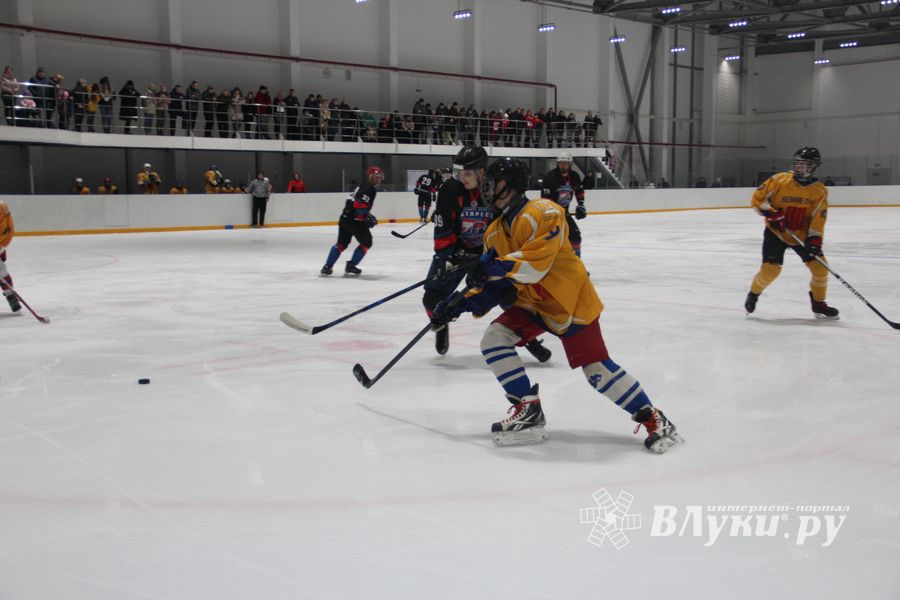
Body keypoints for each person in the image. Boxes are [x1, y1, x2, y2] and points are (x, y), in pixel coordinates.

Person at [430, 158, 683, 452]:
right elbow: (497, 287)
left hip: (570, 302)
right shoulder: (494, 232)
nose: (486, 187)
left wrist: (493, 268)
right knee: (495, 338)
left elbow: (536, 266)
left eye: (493, 181)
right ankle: (528, 410)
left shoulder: (544, 212)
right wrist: (457, 304)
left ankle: (654, 419)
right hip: (534, 304)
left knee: (597, 372)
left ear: (511, 185)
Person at [422, 146, 551, 361]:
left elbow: (507, 228)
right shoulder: (450, 190)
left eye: (468, 173)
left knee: (509, 298)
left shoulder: (497, 190)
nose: (461, 178)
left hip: (489, 255)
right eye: (459, 172)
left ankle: (528, 339)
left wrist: (492, 258)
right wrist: (446, 256)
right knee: (431, 298)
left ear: (482, 172)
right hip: (456, 252)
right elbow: (443, 230)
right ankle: (442, 322)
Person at [745, 147, 838, 319]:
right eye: (797, 163)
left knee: (820, 269)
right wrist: (772, 214)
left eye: (804, 164)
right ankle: (753, 293)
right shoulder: (779, 180)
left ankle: (818, 303)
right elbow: (757, 199)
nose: (799, 167)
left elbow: (819, 217)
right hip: (776, 233)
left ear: (814, 166)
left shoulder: (819, 190)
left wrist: (815, 239)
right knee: (770, 270)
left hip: (801, 236)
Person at [320, 166, 384, 276]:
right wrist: (365, 217)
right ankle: (351, 265)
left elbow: (351, 201)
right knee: (367, 242)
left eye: (379, 177)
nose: (378, 179)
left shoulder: (361, 186)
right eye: (376, 177)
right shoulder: (370, 188)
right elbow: (359, 204)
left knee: (341, 244)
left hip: (345, 218)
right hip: (356, 221)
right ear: (371, 177)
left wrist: (365, 214)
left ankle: (327, 267)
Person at [542, 152, 587, 256]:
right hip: (551, 214)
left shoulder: (574, 176)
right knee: (552, 239)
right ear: (558, 163)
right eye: (561, 163)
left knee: (575, 236)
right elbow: (545, 198)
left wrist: (581, 204)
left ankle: (576, 265)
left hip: (564, 212)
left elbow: (579, 191)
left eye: (565, 163)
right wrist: (554, 213)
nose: (563, 165)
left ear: (570, 164)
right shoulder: (550, 177)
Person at [0, 200, 20, 312]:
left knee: (1, 272)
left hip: (1, 242)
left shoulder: (1, 207)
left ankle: (11, 296)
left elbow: (5, 230)